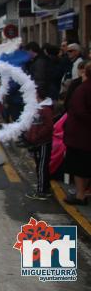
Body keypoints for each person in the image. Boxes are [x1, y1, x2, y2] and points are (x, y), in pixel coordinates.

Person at [62, 62, 91, 205]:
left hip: (80, 135)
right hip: (83, 135)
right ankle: (83, 191)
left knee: (79, 166)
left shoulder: (82, 89)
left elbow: (78, 111)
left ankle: (80, 195)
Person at [23, 86, 54, 200]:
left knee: (41, 166)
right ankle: (45, 186)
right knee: (40, 165)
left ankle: (42, 191)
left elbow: (49, 126)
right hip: (37, 142)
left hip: (43, 142)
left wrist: (37, 135)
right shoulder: (38, 108)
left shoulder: (45, 110)